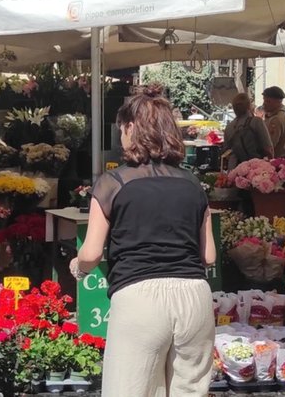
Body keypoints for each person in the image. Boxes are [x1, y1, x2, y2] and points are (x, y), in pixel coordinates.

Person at [69, 85, 216, 396]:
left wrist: (78, 265)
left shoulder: (112, 183)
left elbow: (92, 252)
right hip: (195, 297)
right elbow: (210, 256)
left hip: (140, 298)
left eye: (122, 129)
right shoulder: (193, 183)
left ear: (132, 128)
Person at [223, 93, 273, 168]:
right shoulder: (257, 122)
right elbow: (268, 149)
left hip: (236, 169)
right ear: (249, 106)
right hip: (256, 169)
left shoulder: (229, 127)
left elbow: (226, 152)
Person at [261, 86, 285, 158]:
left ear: (278, 102)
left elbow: (270, 145)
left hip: (274, 161)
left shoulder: (277, 119)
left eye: (268, 101)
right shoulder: (284, 115)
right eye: (264, 100)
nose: (264, 104)